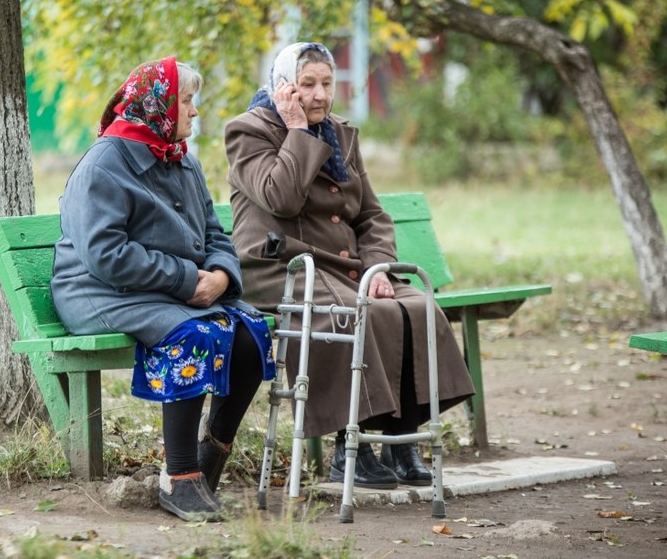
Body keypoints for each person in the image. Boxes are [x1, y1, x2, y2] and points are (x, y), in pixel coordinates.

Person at [224, 42, 474, 489]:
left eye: (327, 84)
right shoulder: (248, 130)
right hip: (282, 268)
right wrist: (298, 132)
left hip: (346, 268)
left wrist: (379, 267)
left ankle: (399, 444)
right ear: (283, 87)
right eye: (307, 85)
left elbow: (372, 215)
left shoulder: (340, 132)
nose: (320, 95)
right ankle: (349, 450)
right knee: (351, 314)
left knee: (415, 305)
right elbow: (279, 197)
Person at [50, 57, 275, 522]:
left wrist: (220, 276)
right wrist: (185, 279)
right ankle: (179, 477)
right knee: (195, 334)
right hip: (98, 292)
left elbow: (214, 233)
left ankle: (209, 460)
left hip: (163, 289)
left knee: (252, 333)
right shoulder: (106, 164)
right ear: (159, 106)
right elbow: (105, 255)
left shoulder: (182, 160)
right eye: (188, 102)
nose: (194, 113)